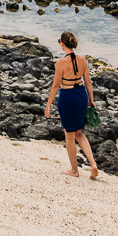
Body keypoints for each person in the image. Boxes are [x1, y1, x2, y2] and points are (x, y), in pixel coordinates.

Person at [44, 31, 99, 179]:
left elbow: (55, 86)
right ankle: (93, 164)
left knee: (69, 134)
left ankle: (74, 170)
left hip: (67, 97)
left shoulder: (61, 63)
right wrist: (91, 100)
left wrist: (48, 105)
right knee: (79, 133)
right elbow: (88, 82)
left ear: (62, 44)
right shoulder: (82, 60)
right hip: (81, 95)